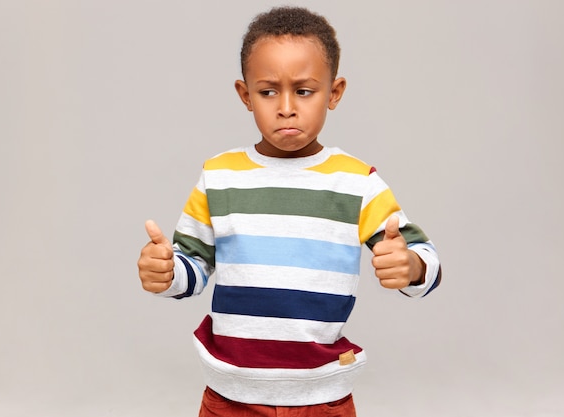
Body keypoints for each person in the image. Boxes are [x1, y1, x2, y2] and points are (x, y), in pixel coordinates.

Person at [137, 6, 441, 416]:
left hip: (322, 397)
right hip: (230, 396)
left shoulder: (357, 182)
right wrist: (167, 271)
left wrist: (411, 266)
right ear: (245, 95)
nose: (285, 107)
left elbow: (425, 258)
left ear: (334, 92)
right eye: (267, 91)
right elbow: (193, 270)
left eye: (303, 90)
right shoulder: (219, 176)